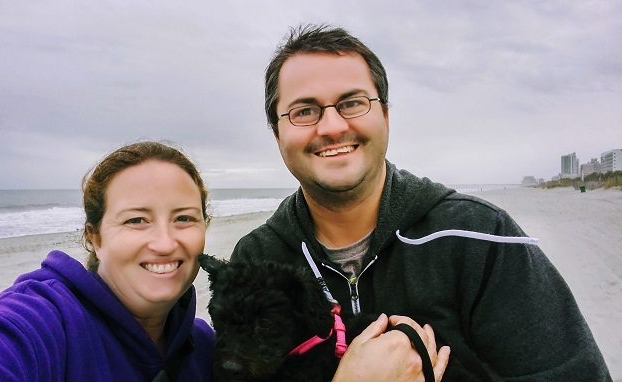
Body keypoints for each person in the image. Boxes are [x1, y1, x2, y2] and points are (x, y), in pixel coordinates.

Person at [230, 24, 612, 381]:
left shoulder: (479, 238)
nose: (331, 127)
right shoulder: (257, 260)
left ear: (385, 116)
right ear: (277, 133)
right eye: (304, 111)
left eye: (352, 103)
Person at [0, 141, 214, 381]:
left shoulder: (207, 348)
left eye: (184, 218)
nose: (164, 243)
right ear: (95, 238)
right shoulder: (47, 324)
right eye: (136, 220)